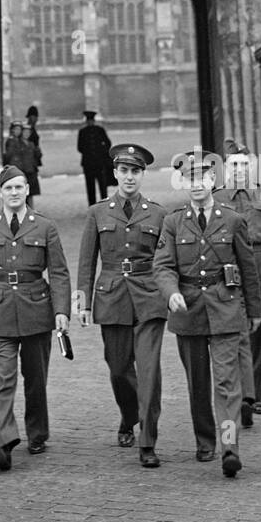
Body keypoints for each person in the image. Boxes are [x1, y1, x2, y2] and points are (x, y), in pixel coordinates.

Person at [153, 151, 261, 479]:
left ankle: (230, 447)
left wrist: (254, 310)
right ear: (183, 182)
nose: (197, 184)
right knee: (198, 382)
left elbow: (248, 267)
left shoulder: (232, 220)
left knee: (227, 383)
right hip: (188, 311)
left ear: (213, 180)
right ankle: (205, 441)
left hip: (225, 306)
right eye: (190, 178)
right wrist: (171, 293)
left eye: (202, 177)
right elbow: (163, 266)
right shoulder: (173, 222)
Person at [0, 164, 71, 472]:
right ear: (0, 193)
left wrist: (61, 310)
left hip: (35, 309)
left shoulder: (45, 226)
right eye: (8, 188)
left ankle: (37, 433)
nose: (14, 193)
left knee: (36, 378)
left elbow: (59, 272)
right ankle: (5, 440)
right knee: (3, 378)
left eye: (19, 187)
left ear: (27, 190)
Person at [77, 144, 168, 467]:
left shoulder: (158, 214)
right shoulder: (98, 212)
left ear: (143, 175)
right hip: (112, 295)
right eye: (125, 171)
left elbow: (165, 261)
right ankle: (129, 416)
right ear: (115, 173)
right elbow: (87, 261)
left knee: (149, 371)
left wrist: (170, 293)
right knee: (118, 370)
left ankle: (148, 441)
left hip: (149, 296)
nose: (130, 177)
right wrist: (83, 302)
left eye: (136, 171)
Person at [220, 141, 261, 420]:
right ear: (226, 167)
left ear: (252, 167)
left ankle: (256, 393)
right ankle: (239, 390)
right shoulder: (217, 197)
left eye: (245, 165)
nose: (240, 170)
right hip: (228, 265)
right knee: (232, 329)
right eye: (234, 164)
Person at [77, 110, 115, 205]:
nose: (90, 122)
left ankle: (104, 204)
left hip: (99, 163)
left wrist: (101, 152)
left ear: (93, 121)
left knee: (103, 185)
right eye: (88, 121)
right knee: (90, 186)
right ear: (87, 121)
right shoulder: (82, 132)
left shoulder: (100, 130)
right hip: (88, 163)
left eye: (91, 120)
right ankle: (92, 205)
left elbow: (108, 143)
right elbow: (79, 147)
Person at [3, 120, 42, 201]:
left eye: (19, 129)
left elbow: (37, 156)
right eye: (16, 129)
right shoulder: (13, 141)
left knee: (29, 193)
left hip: (29, 171)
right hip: (20, 170)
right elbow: (9, 156)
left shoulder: (30, 143)